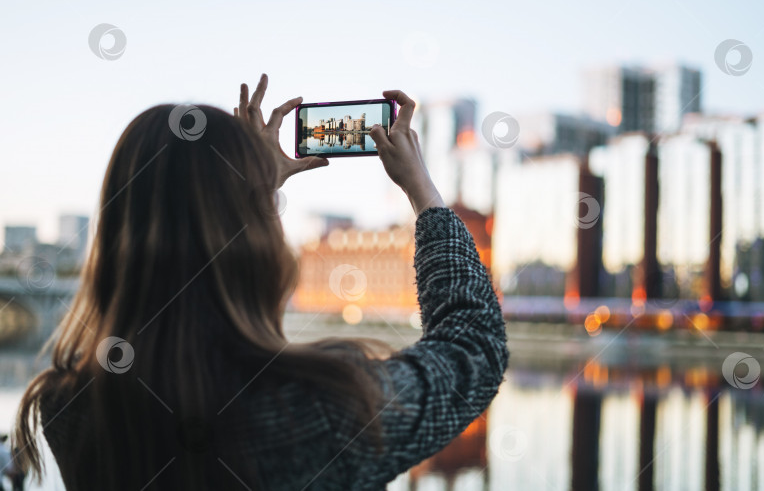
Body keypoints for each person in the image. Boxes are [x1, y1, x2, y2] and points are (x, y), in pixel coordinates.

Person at [12, 74, 509, 490]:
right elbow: (476, 348)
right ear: (261, 250)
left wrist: (249, 192)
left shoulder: (68, 405)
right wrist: (424, 194)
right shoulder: (322, 409)